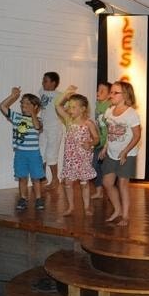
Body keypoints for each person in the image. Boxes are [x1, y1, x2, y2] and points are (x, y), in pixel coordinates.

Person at [99, 81, 141, 227]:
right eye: (111, 92)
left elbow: (137, 135)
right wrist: (105, 148)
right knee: (107, 183)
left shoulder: (131, 114)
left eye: (115, 93)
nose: (111, 95)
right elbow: (110, 133)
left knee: (123, 184)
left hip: (127, 154)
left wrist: (125, 151)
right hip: (112, 153)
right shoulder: (109, 111)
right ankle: (117, 210)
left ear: (125, 95)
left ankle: (125, 215)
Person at [55, 86, 99, 216]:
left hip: (83, 158)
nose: (70, 109)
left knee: (84, 184)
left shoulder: (88, 123)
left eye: (74, 107)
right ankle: (71, 207)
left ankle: (86, 207)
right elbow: (57, 105)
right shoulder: (68, 121)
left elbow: (96, 138)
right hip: (70, 159)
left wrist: (90, 143)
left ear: (83, 109)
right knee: (68, 183)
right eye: (69, 106)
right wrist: (66, 93)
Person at [0, 87, 45, 211]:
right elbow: (2, 106)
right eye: (22, 102)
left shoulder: (38, 119)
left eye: (27, 103)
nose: (23, 105)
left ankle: (39, 198)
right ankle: (23, 198)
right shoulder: (16, 117)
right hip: (20, 153)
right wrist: (13, 96)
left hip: (34, 154)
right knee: (22, 177)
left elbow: (37, 127)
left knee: (36, 178)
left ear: (35, 107)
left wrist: (33, 113)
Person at [39, 72, 64, 191]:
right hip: (43, 128)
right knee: (40, 153)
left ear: (53, 83)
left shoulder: (59, 95)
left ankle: (55, 179)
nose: (43, 83)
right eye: (43, 80)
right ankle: (42, 177)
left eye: (45, 81)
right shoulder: (41, 91)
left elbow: (64, 109)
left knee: (51, 155)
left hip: (54, 129)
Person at [91, 81, 111, 200]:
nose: (98, 92)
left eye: (102, 91)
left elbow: (111, 127)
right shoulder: (98, 105)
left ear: (109, 95)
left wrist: (106, 146)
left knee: (107, 169)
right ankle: (99, 191)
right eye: (98, 90)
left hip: (108, 144)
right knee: (95, 166)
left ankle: (110, 191)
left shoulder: (110, 106)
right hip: (99, 142)